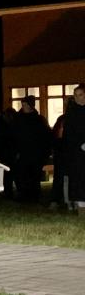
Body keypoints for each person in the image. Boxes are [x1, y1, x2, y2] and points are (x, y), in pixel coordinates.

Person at [11, 95, 51, 203]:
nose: (23, 107)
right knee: (22, 176)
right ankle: (23, 196)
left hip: (35, 155)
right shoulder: (18, 119)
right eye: (22, 104)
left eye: (25, 105)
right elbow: (13, 136)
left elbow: (45, 138)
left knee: (34, 177)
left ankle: (34, 197)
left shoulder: (38, 120)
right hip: (22, 154)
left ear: (31, 106)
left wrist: (43, 154)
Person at [62, 85, 85, 215]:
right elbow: (69, 133)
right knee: (79, 179)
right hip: (77, 152)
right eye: (75, 95)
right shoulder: (72, 112)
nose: (77, 98)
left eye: (80, 94)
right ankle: (81, 207)